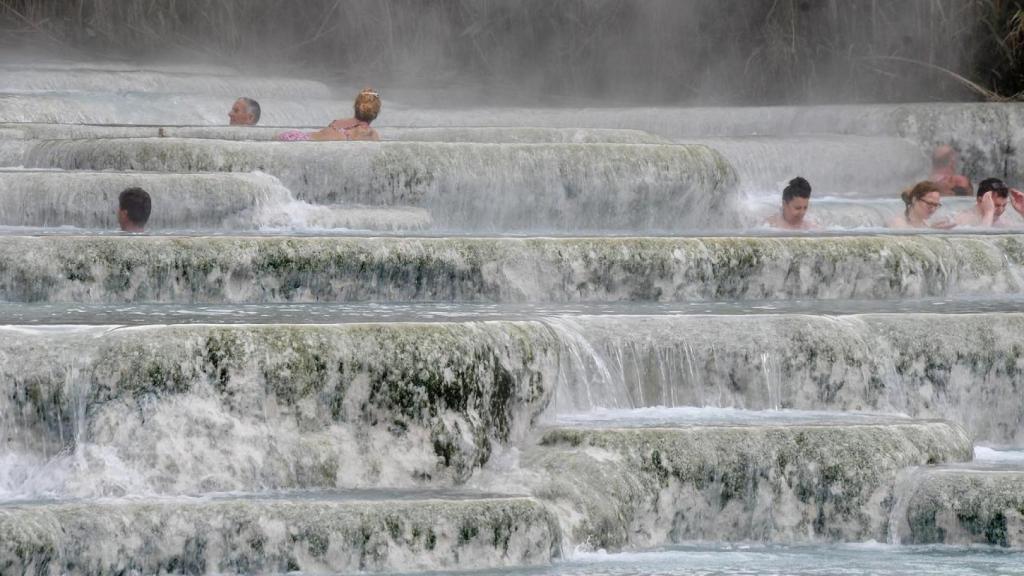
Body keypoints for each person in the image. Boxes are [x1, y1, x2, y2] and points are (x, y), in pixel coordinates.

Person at [276, 88, 381, 141]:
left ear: (355, 107)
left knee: (276, 137)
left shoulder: (338, 124)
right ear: (376, 113)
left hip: (295, 137)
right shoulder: (374, 136)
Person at [951, 177, 1024, 228]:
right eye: (996, 205)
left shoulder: (1000, 219)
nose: (1001, 210)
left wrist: (1022, 211)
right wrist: (989, 212)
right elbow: (980, 243)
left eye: (1004, 205)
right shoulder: (963, 219)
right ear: (980, 200)